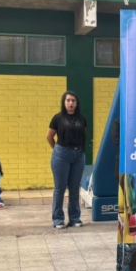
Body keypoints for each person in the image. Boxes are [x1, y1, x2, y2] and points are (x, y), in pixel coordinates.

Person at [46, 91, 87, 229]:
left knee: (75, 189)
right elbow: (49, 137)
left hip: (78, 155)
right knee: (60, 188)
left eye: (73, 101)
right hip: (61, 155)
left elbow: (84, 136)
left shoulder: (82, 119)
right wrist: (57, 150)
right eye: (68, 100)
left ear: (77, 103)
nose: (71, 103)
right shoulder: (57, 118)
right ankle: (58, 219)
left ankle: (75, 219)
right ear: (64, 102)